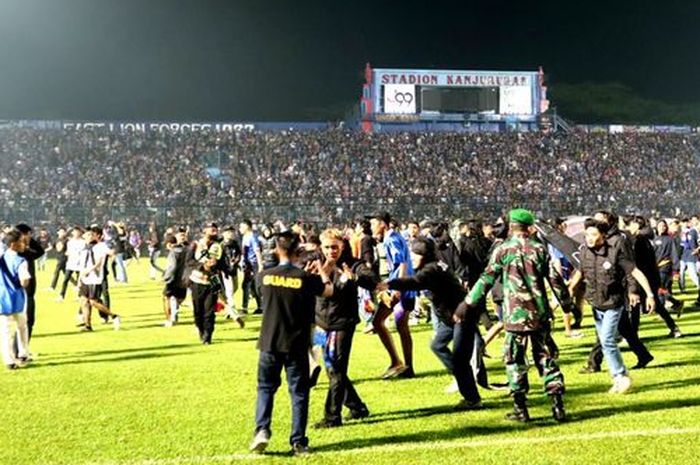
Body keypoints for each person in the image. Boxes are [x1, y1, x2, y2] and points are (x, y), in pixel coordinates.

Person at [458, 209, 574, 422]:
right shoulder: (540, 249)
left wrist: (467, 303)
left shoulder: (503, 250)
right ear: (529, 227)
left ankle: (521, 408)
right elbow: (555, 279)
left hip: (514, 316)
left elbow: (487, 279)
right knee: (546, 358)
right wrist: (567, 305)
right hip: (539, 314)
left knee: (514, 360)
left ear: (511, 226)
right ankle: (558, 406)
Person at [249, 231, 333, 456]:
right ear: (299, 251)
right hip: (296, 344)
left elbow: (258, 294)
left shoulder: (264, 276)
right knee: (299, 393)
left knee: (266, 389)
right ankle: (298, 441)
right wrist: (324, 274)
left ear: (276, 249)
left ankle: (262, 430)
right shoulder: (306, 279)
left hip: (268, 342)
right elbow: (329, 291)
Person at [382, 236, 485, 410]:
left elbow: (415, 283)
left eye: (416, 255)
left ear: (425, 255)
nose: (412, 258)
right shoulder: (435, 265)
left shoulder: (431, 269)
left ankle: (472, 398)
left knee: (460, 359)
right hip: (449, 317)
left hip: (462, 316)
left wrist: (388, 284)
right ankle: (462, 377)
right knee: (437, 345)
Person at [569, 218, 657, 394]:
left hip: (614, 303)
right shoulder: (585, 251)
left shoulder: (615, 252)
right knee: (604, 340)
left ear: (602, 235)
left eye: (593, 234)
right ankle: (619, 377)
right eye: (587, 234)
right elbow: (580, 272)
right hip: (595, 304)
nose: (589, 238)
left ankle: (620, 376)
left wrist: (649, 294)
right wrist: (570, 288)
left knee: (608, 339)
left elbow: (635, 272)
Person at [312, 229, 370, 428]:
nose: (331, 251)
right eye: (327, 247)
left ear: (342, 246)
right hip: (321, 325)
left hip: (341, 324)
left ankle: (332, 417)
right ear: (321, 247)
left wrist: (355, 278)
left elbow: (368, 277)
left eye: (335, 247)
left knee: (336, 369)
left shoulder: (352, 264)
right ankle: (357, 407)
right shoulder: (315, 262)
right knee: (331, 370)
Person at [366, 211, 416, 379]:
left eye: (373, 223)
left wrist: (397, 289)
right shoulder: (395, 236)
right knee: (402, 326)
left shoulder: (391, 239)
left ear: (382, 224)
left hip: (401, 287)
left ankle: (397, 362)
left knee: (378, 321)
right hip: (406, 286)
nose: (371, 227)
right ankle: (408, 367)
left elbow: (401, 263)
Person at [186, 222, 223, 344]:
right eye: (211, 229)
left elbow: (223, 263)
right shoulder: (196, 244)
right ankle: (201, 330)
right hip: (197, 280)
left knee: (210, 311)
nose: (214, 231)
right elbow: (189, 261)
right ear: (205, 231)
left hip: (213, 280)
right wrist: (202, 266)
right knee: (198, 311)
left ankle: (208, 336)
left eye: (215, 229)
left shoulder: (219, 245)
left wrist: (216, 264)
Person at [77, 226, 121, 332]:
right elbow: (82, 266)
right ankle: (88, 325)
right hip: (85, 279)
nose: (89, 236)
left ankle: (114, 316)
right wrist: (79, 279)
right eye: (87, 235)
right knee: (84, 301)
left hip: (94, 278)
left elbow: (101, 260)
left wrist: (116, 244)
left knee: (93, 302)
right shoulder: (83, 249)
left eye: (91, 235)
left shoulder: (100, 246)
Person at [0, 229, 32, 370]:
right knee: (22, 326)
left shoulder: (1, 258)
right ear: (14, 244)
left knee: (5, 330)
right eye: (21, 241)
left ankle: (9, 360)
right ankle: (23, 352)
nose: (23, 243)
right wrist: (24, 283)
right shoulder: (20, 260)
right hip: (17, 298)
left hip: (2, 297)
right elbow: (24, 280)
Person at [161, 231, 188, 326]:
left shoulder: (173, 252)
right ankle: (175, 312)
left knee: (166, 298)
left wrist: (166, 277)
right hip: (185, 279)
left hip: (174, 279)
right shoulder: (188, 250)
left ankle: (169, 319)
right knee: (178, 298)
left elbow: (172, 266)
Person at [221, 225, 244, 327]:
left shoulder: (234, 244)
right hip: (225, 272)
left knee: (235, 288)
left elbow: (239, 254)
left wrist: (236, 261)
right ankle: (233, 312)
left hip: (233, 270)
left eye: (232, 232)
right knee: (229, 292)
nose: (231, 234)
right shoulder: (221, 245)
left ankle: (227, 308)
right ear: (224, 233)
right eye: (228, 232)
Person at [240, 220, 263, 314]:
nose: (240, 229)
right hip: (248, 264)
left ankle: (245, 308)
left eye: (241, 226)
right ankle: (260, 307)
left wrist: (260, 265)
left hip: (253, 264)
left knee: (249, 285)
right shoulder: (245, 237)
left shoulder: (252, 237)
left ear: (247, 226)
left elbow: (257, 251)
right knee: (251, 286)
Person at [59, 227, 85, 302]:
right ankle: (61, 295)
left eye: (78, 232)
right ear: (72, 233)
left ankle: (79, 296)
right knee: (65, 280)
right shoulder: (70, 242)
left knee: (79, 280)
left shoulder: (83, 242)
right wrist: (67, 253)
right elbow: (68, 252)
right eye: (75, 232)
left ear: (80, 233)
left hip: (80, 264)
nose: (76, 233)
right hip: (70, 264)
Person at [50, 227, 69, 292]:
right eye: (60, 231)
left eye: (63, 232)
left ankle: (52, 286)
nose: (62, 233)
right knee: (66, 273)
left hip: (63, 258)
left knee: (56, 271)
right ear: (58, 232)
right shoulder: (56, 240)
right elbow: (52, 247)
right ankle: (76, 284)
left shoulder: (66, 240)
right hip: (58, 258)